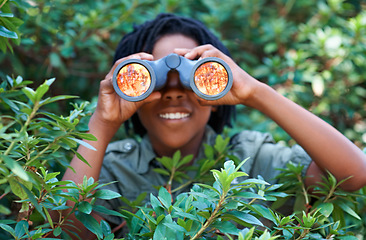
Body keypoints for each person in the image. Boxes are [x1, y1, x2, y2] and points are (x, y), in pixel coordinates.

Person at [61, 13, 366, 238]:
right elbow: (63, 229)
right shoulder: (109, 168)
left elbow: (352, 174)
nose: (175, 91)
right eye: (151, 80)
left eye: (195, 78)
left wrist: (256, 92)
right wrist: (102, 123)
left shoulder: (253, 158)